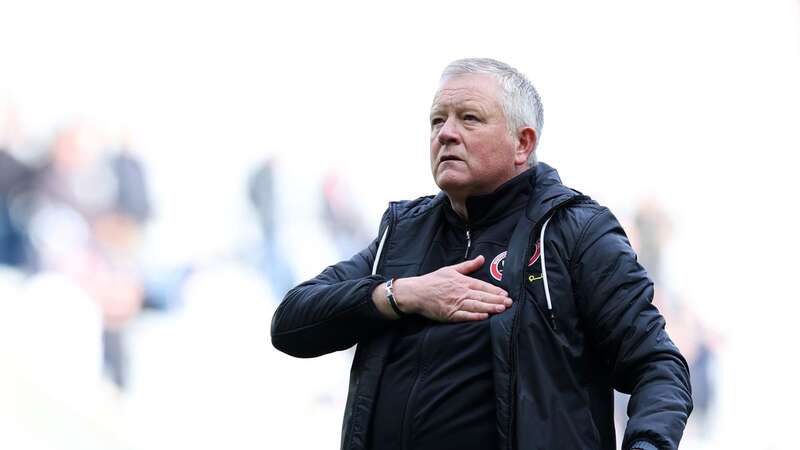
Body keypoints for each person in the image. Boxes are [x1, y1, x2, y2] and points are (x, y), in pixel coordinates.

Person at [271, 58, 692, 450]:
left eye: (469, 118)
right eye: (437, 120)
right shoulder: (402, 234)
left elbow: (658, 365)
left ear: (522, 143)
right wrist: (400, 295)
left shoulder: (574, 231)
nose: (446, 133)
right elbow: (291, 323)